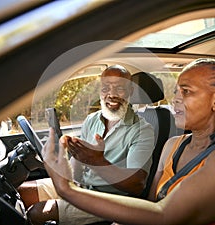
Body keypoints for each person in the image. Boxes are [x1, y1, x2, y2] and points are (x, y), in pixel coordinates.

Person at [42, 58, 215, 225]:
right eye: (175, 91)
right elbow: (151, 204)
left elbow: (165, 216)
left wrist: (66, 188)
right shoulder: (172, 145)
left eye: (186, 91)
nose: (175, 99)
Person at [18, 65, 155, 225]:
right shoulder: (92, 120)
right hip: (82, 187)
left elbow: (136, 185)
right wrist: (66, 171)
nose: (111, 94)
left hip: (112, 201)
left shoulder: (142, 130)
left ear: (131, 91)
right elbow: (78, 163)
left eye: (119, 88)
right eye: (106, 88)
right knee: (22, 192)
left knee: (37, 212)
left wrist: (98, 162)